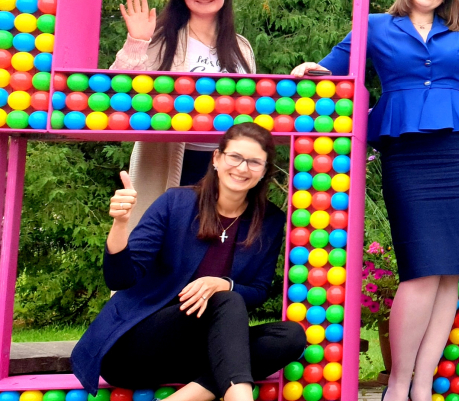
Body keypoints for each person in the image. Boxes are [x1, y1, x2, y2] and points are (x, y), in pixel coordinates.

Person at [292, 0, 459, 401]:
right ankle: (397, 384)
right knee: (422, 268)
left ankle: (423, 384)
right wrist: (309, 72)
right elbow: (331, 67)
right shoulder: (375, 26)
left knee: (451, 273)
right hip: (406, 150)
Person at [72, 123, 305, 401]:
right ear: (217, 158)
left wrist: (224, 283)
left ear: (264, 171)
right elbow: (120, 279)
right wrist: (120, 225)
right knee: (227, 299)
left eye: (254, 162)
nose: (243, 168)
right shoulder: (176, 203)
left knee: (289, 336)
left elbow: (258, 291)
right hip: (134, 349)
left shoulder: (268, 221)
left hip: (199, 354)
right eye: (235, 157)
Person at [111, 0, 258, 227]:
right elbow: (117, 97)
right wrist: (137, 41)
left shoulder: (241, 47)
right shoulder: (161, 37)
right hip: (168, 159)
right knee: (162, 237)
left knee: (217, 239)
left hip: (229, 163)